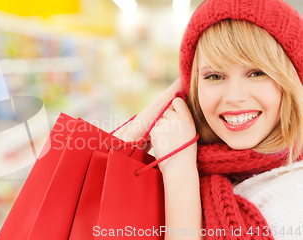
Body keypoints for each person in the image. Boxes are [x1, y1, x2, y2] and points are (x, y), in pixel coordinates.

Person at [118, 0, 303, 239]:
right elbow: (94, 167)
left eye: (257, 73)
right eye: (215, 76)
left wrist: (179, 173)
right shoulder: (194, 156)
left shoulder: (292, 195)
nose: (234, 97)